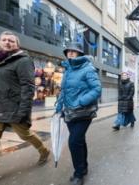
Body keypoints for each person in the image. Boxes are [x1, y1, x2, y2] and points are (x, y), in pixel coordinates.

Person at [0, 31, 50, 185]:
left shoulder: (23, 60)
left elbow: (28, 87)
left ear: (17, 44)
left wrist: (23, 112)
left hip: (13, 109)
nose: (7, 42)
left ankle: (44, 150)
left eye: (11, 41)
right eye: (4, 40)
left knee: (25, 135)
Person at [55, 42, 101, 185]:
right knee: (79, 140)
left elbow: (97, 89)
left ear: (80, 54)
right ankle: (84, 166)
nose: (70, 53)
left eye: (74, 52)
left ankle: (79, 174)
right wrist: (59, 106)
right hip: (69, 112)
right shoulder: (67, 69)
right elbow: (64, 90)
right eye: (68, 51)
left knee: (74, 141)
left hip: (84, 112)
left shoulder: (88, 68)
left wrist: (82, 101)